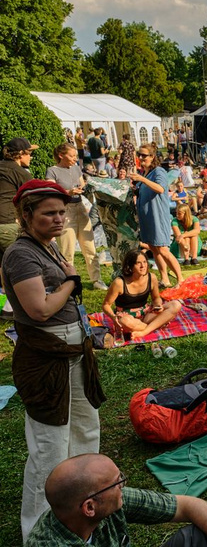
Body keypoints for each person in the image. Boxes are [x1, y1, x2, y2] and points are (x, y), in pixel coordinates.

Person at [1, 180, 105, 539]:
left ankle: (78, 508)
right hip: (46, 362)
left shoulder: (47, 247)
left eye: (62, 211)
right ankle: (38, 532)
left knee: (84, 429)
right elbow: (40, 309)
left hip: (73, 355)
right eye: (49, 213)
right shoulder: (21, 253)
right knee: (50, 447)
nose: (59, 218)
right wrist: (69, 284)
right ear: (26, 216)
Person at [26, 453, 207, 546]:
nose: (122, 485)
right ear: (89, 507)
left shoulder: (109, 504)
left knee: (202, 536)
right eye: (116, 483)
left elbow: (188, 506)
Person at [45, 143, 107, 290]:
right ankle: (69, 282)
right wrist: (68, 192)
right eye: (72, 156)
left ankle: (96, 280)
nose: (75, 158)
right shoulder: (52, 171)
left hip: (80, 209)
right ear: (61, 155)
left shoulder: (76, 168)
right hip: (64, 212)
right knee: (67, 251)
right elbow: (51, 192)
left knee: (90, 248)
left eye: (75, 156)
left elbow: (82, 187)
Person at [131, 145, 183, 288]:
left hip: (157, 217)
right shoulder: (146, 174)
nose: (141, 158)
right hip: (147, 218)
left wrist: (142, 179)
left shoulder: (158, 171)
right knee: (154, 249)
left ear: (152, 157)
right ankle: (165, 279)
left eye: (144, 155)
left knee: (163, 250)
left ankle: (180, 280)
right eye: (139, 155)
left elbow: (160, 188)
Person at [102, 249, 182, 340]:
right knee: (124, 322)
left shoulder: (151, 277)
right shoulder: (119, 283)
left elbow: (156, 298)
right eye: (138, 263)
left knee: (176, 304)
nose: (143, 266)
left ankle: (144, 331)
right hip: (128, 317)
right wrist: (113, 317)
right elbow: (106, 305)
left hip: (146, 313)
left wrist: (158, 305)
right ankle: (158, 324)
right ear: (130, 266)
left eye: (144, 262)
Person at [0, 137, 36, 259]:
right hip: (7, 224)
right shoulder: (20, 172)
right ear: (21, 153)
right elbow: (35, 197)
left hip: (4, 223)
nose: (31, 157)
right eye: (29, 153)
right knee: (21, 263)